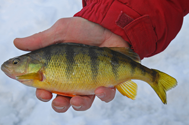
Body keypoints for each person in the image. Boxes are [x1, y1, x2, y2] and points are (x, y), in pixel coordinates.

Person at [14, 0, 189, 113]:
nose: (12, 65)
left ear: (32, 63)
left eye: (16, 62)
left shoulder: (36, 73)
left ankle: (154, 78)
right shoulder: (35, 74)